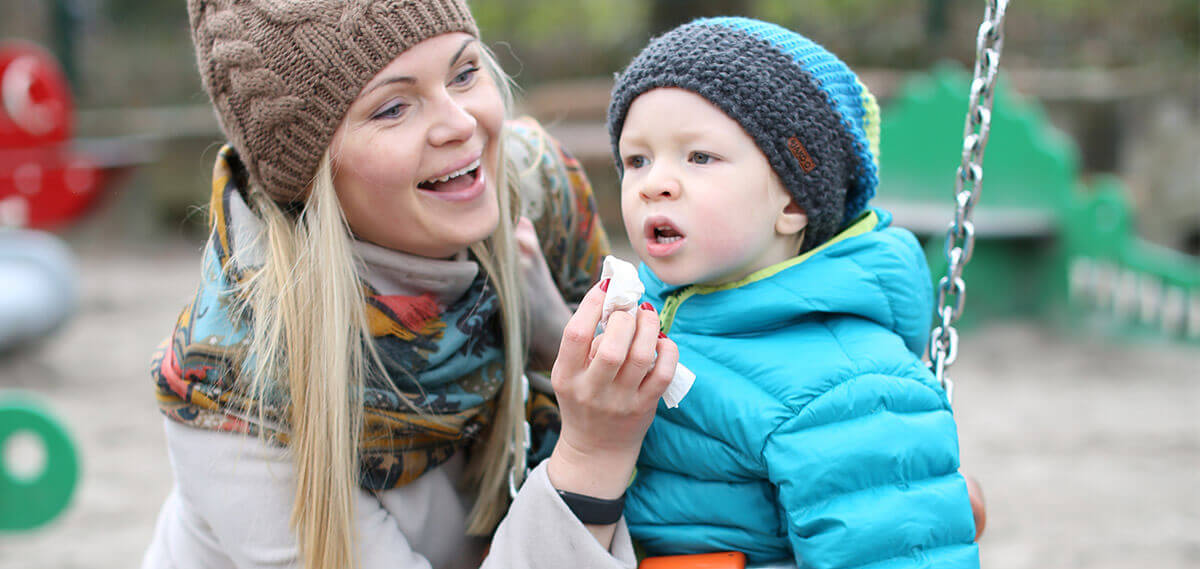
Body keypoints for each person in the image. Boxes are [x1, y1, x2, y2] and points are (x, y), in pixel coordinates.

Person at [142, 1, 676, 568]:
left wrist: (556, 337)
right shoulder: (239, 394)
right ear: (312, 170)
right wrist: (592, 455)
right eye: (393, 108)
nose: (461, 123)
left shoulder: (539, 197)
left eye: (464, 73)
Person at [605, 17, 980, 567]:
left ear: (793, 204)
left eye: (699, 157)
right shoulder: (649, 315)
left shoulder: (847, 386)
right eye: (637, 159)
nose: (653, 182)